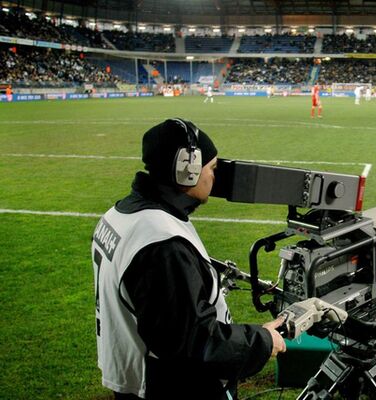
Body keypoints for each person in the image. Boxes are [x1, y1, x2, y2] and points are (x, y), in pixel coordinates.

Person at [92, 118, 286, 400]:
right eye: (212, 168)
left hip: (135, 377)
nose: (213, 178)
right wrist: (263, 341)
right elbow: (196, 342)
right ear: (188, 169)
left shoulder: (121, 214)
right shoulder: (162, 243)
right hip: (168, 387)